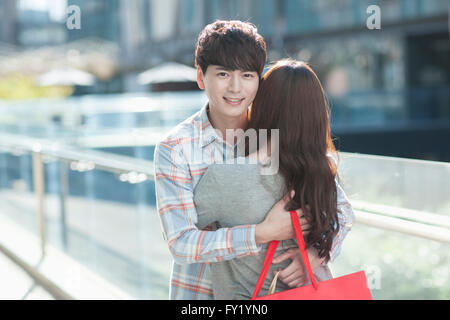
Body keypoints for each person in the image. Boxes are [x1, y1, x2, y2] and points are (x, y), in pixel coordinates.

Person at [154, 20, 353, 300]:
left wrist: (313, 256)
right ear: (201, 77)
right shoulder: (176, 148)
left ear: (259, 79)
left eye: (247, 75)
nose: (236, 88)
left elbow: (341, 212)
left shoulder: (278, 132)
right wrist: (261, 233)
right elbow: (181, 243)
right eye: (223, 74)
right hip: (204, 296)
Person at [193, 59, 353, 299]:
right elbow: (345, 216)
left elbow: (182, 239)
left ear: (261, 107)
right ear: (317, 115)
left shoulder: (225, 176)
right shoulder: (320, 173)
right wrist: (315, 255)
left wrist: (259, 233)